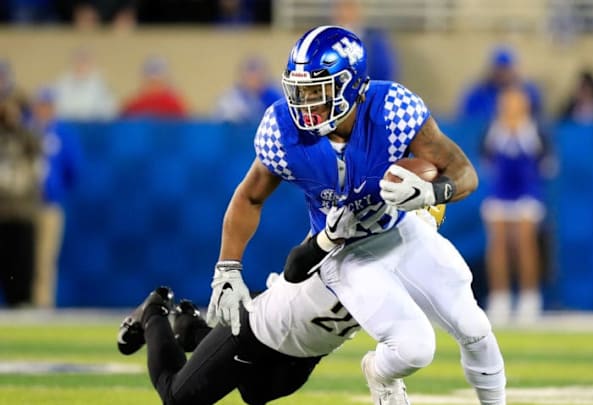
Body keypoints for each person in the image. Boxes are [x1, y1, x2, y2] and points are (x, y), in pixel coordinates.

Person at [208, 26, 506, 405]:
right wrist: (228, 267)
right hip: (343, 252)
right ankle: (380, 374)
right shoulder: (282, 129)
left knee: (475, 327)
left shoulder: (392, 109)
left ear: (351, 85)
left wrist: (433, 192)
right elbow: (249, 197)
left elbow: (465, 173)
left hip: (400, 231)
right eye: (299, 90)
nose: (305, 102)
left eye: (317, 90)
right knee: (414, 348)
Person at [117, 206, 442, 404]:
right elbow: (297, 264)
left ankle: (190, 330)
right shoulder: (355, 227)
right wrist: (327, 239)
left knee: (255, 393)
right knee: (178, 398)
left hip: (305, 353)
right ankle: (154, 312)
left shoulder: (415, 263)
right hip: (259, 327)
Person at [479, 87, 553, 324]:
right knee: (497, 243)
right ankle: (500, 297)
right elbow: (486, 160)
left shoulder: (535, 131)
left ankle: (529, 298)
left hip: (526, 195)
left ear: (525, 107)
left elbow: (548, 165)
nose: (510, 109)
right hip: (500, 195)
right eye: (506, 105)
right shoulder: (493, 131)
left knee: (525, 242)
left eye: (515, 105)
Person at [28, 87, 82, 308]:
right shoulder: (26, 131)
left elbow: (73, 168)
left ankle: (42, 303)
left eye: (48, 106)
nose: (44, 110)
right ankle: (20, 300)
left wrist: (55, 190)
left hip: (49, 204)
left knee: (45, 257)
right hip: (23, 206)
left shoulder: (62, 134)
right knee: (20, 255)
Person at [0, 97, 43, 307]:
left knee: (24, 259)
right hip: (2, 210)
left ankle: (23, 301)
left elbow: (39, 165)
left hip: (24, 210)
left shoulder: (28, 137)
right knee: (6, 258)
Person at [458, 45, 542, 123]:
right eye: (499, 68)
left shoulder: (529, 92)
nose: (503, 73)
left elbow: (538, 120)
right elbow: (466, 121)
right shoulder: (478, 93)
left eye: (506, 68)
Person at [331, 0, 398, 81]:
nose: (343, 13)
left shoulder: (374, 41)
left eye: (348, 7)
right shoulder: (325, 41)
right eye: (339, 8)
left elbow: (384, 74)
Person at [54, 48, 117, 121]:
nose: (81, 65)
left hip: (93, 125)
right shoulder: (62, 83)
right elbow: (56, 107)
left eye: (85, 62)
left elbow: (109, 110)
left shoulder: (101, 84)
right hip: (68, 124)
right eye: (78, 61)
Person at [214, 57, 283, 123]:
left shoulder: (273, 96)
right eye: (250, 76)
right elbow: (222, 119)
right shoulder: (232, 98)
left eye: (257, 75)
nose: (254, 79)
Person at [121, 56, 188, 119]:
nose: (155, 85)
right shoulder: (136, 104)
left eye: (157, 82)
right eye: (152, 82)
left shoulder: (173, 103)